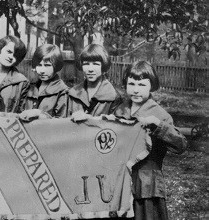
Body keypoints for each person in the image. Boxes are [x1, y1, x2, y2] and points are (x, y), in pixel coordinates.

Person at [113, 61, 187, 220]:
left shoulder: (160, 115)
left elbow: (181, 145)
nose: (136, 89)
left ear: (151, 86)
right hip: (120, 181)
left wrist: (159, 126)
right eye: (131, 84)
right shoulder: (119, 110)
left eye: (141, 84)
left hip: (147, 184)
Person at [60, 44, 123, 120]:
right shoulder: (72, 93)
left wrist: (90, 119)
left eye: (96, 64)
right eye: (86, 64)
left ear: (103, 66)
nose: (90, 69)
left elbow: (116, 127)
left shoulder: (114, 97)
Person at [21, 44, 68, 120]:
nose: (42, 70)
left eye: (47, 65)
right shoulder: (31, 88)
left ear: (56, 66)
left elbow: (62, 123)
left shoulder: (63, 91)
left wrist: (39, 114)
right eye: (39, 65)